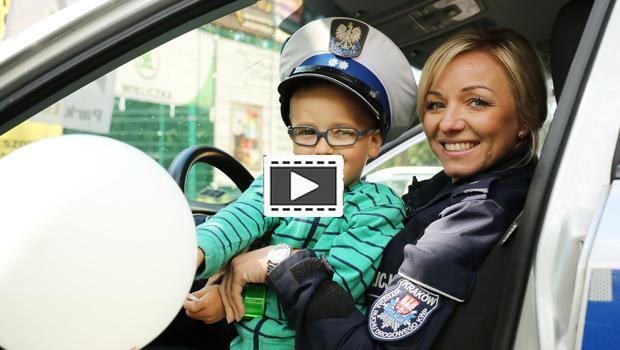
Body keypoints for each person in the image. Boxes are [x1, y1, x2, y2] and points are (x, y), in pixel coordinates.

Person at [217, 28, 548, 349]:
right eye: (435, 105)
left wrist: (281, 263)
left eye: (476, 102)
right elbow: (287, 201)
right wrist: (227, 267)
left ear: (524, 117)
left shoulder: (478, 214)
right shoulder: (447, 188)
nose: (448, 123)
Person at [181, 17, 418, 350]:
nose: (321, 148)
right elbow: (240, 216)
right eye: (306, 132)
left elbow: (332, 292)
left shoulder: (377, 207)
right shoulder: (294, 181)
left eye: (342, 132)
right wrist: (195, 251)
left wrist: (233, 296)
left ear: (374, 142)